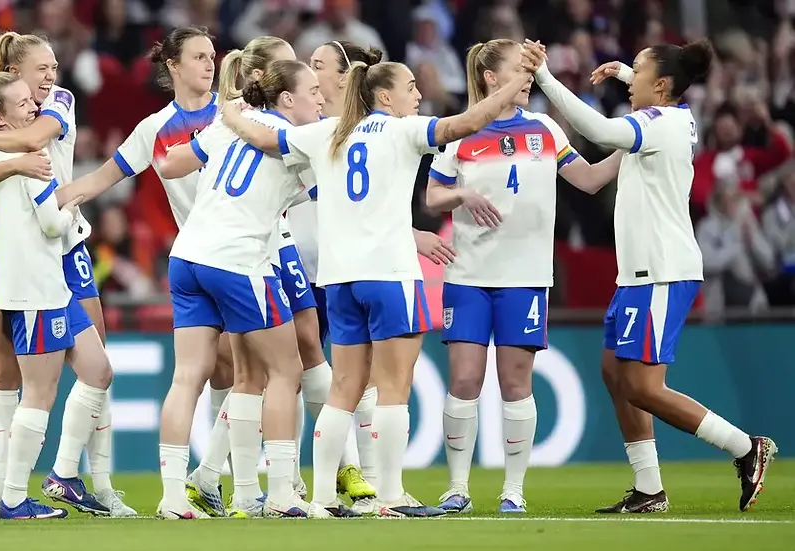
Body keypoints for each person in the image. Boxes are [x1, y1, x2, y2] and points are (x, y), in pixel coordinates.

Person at [220, 54, 535, 517]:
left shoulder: (328, 131)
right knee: (393, 388)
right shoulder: (403, 131)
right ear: (384, 96)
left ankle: (325, 497)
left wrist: (229, 112)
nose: (418, 94)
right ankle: (388, 495)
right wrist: (517, 84)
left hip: (340, 277)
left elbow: (265, 137)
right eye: (411, 87)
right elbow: (469, 122)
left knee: (343, 386)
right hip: (389, 273)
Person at [522, 39, 777, 513]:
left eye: (638, 71)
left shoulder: (658, 124)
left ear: (660, 85)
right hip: (638, 274)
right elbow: (650, 93)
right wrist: (625, 72)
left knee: (642, 386)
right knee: (614, 373)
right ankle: (649, 488)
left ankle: (746, 447)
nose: (629, 78)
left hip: (662, 270)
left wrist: (545, 79)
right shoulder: (670, 115)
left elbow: (598, 128)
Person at [157, 35, 375, 516]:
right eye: (313, 93)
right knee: (286, 371)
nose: (321, 100)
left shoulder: (232, 121)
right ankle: (279, 492)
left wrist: (228, 115)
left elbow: (170, 163)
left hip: (187, 255)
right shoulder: (306, 138)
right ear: (287, 98)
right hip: (239, 262)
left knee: (189, 376)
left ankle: (175, 496)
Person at [425, 39, 624, 514]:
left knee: (517, 383)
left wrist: (637, 148)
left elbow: (590, 180)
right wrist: (463, 196)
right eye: (520, 68)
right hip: (469, 274)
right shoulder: (461, 133)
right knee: (465, 380)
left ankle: (513, 491)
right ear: (491, 78)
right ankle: (457, 489)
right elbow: (432, 198)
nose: (530, 77)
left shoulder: (545, 129)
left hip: (526, 276)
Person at [0, 32, 135, 518]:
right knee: (5, 374)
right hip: (20, 256)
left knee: (96, 367)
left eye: (54, 66)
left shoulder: (57, 103)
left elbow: (30, 142)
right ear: (13, 72)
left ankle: (84, 477)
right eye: (41, 69)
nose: (51, 76)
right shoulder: (10, 118)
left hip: (64, 249)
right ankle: (2, 493)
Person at [55, 26, 228, 516]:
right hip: (206, 257)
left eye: (212, 55)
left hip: (243, 252)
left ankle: (210, 481)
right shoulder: (156, 128)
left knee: (231, 372)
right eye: (198, 56)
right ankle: (221, 483)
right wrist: (61, 197)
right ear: (172, 65)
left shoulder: (234, 111)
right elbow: (107, 175)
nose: (209, 64)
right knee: (248, 371)